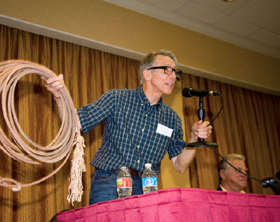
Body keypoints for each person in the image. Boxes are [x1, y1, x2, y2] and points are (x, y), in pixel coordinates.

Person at [46, 50, 212, 205]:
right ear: (147, 73)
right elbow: (77, 123)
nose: (173, 76)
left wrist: (194, 139)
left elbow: (180, 165)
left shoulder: (172, 119)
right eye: (167, 70)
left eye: (175, 72)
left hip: (148, 188)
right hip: (110, 181)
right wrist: (59, 97)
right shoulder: (117, 98)